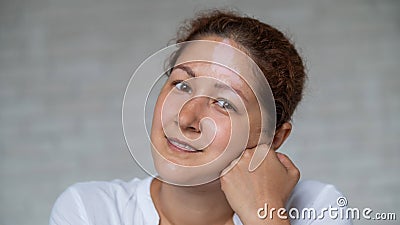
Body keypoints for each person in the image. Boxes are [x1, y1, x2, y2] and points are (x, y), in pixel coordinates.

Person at [49, 10, 352, 225]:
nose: (186, 118)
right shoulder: (91, 211)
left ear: (273, 138)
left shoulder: (317, 208)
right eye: (182, 85)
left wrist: (267, 214)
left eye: (224, 103)